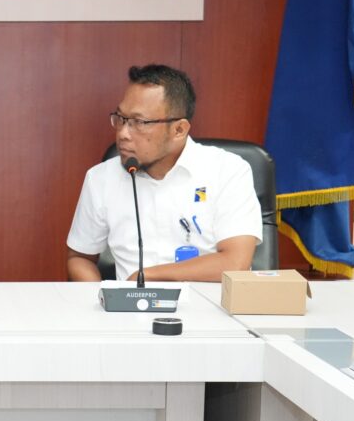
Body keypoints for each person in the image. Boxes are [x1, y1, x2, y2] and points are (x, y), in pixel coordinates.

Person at [66, 64, 262, 283]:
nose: (123, 134)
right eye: (121, 118)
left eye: (139, 122)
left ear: (179, 130)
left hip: (208, 304)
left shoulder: (227, 170)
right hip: (128, 305)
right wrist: (102, 298)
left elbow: (235, 264)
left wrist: (146, 277)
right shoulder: (101, 179)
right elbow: (80, 258)